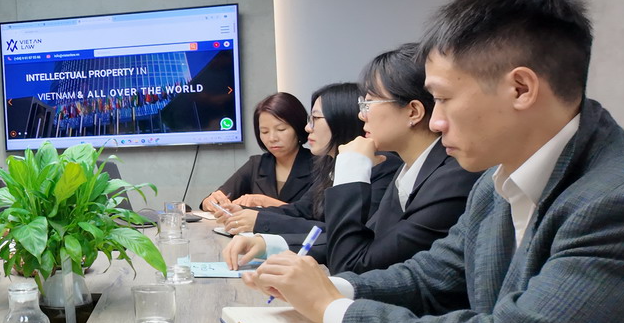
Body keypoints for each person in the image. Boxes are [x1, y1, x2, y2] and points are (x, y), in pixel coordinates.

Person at [245, 0, 624, 323]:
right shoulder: (496, 181)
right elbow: (430, 277)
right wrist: (328, 287)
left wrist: (333, 310)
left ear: (521, 88)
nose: (435, 122)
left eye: (443, 99)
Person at [224, 44, 480, 271]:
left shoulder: (450, 178)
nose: (362, 116)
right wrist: (269, 244)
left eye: (368, 104)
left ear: (413, 112)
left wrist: (352, 170)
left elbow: (354, 261)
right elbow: (367, 240)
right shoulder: (409, 169)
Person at [220, 83, 401, 237]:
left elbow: (343, 234)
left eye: (315, 118)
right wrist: (246, 212)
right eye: (264, 131)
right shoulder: (329, 163)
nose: (308, 128)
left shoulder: (383, 166)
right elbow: (301, 210)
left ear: (341, 119)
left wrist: (261, 221)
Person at [201, 92, 313, 215]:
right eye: (264, 132)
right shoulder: (257, 164)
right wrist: (210, 201)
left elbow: (314, 215)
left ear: (298, 127)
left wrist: (262, 201)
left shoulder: (320, 166)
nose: (272, 138)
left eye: (281, 129)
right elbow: (218, 196)